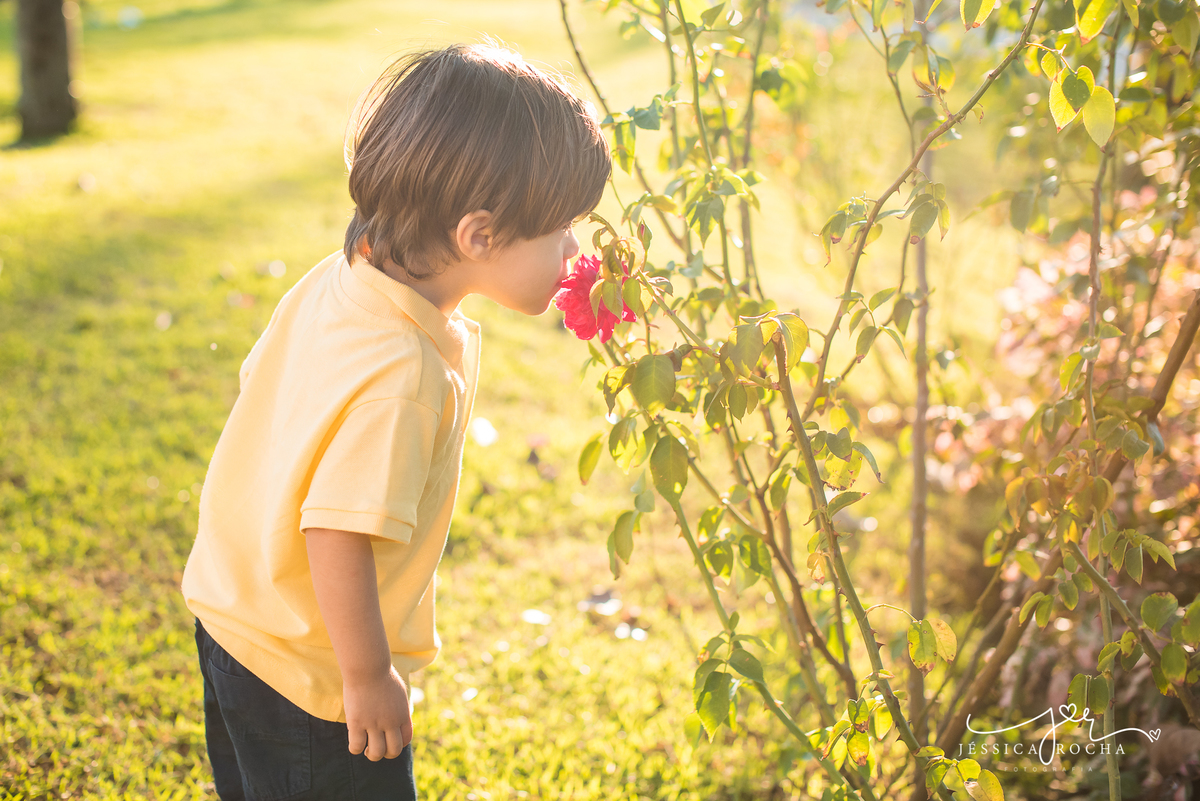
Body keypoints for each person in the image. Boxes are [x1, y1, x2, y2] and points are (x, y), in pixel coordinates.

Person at [180, 43, 610, 800]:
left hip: (234, 618)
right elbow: (337, 532)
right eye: (563, 229)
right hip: (314, 680)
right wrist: (367, 676)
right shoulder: (403, 375)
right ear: (478, 236)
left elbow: (267, 392)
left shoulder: (345, 278)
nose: (574, 248)